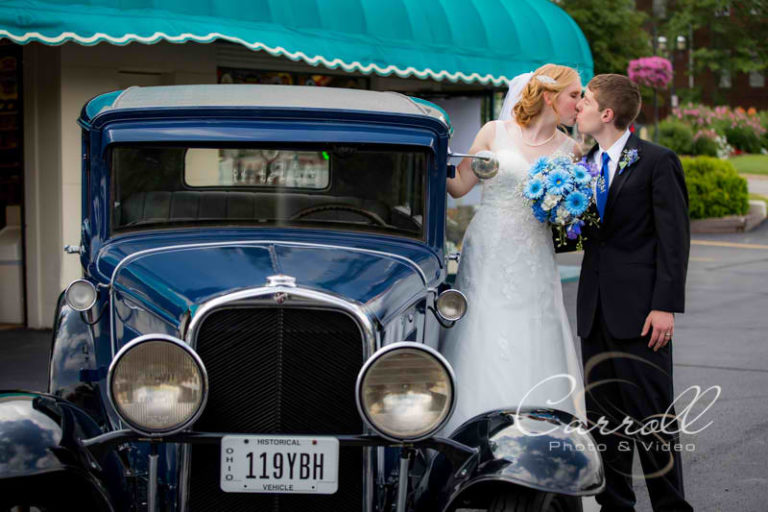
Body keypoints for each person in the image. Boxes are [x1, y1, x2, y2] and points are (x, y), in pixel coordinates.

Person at [439, 64, 586, 436]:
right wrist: (434, 157)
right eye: (575, 95)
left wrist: (566, 209)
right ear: (551, 96)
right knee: (481, 329)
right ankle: (469, 429)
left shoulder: (572, 150)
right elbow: (458, 188)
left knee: (532, 331)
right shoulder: (495, 132)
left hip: (533, 253)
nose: (580, 103)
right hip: (487, 248)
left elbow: (571, 219)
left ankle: (536, 428)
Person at [575, 74, 693, 511]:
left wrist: (665, 305)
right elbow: (584, 237)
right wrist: (555, 209)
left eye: (585, 100)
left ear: (607, 113)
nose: (578, 106)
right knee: (604, 423)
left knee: (653, 422)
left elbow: (674, 239)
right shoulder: (584, 164)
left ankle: (671, 507)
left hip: (643, 313)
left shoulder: (657, 161)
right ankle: (616, 506)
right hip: (595, 311)